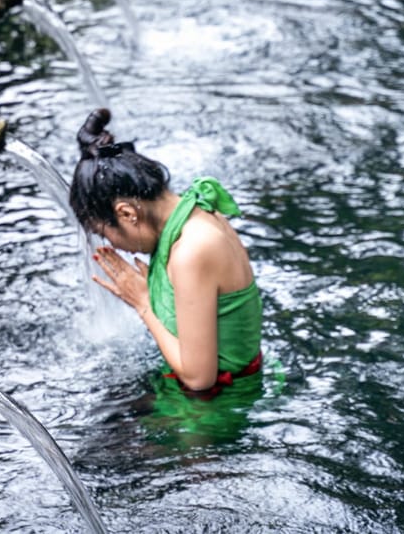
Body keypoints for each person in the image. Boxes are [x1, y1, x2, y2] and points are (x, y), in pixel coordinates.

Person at [69, 108, 263, 401]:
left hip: (212, 412)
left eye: (105, 233)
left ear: (126, 213)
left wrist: (144, 302)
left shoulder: (192, 250)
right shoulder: (191, 214)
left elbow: (199, 378)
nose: (113, 245)